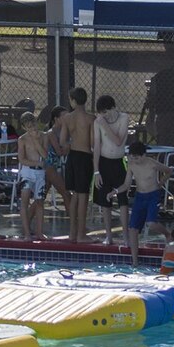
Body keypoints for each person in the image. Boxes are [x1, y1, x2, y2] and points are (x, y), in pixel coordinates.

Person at [115, 138, 166, 264]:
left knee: (151, 223)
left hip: (153, 195)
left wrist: (161, 183)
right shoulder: (131, 165)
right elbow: (126, 184)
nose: (135, 160)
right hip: (140, 197)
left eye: (137, 158)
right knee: (132, 229)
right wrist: (115, 192)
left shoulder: (152, 163)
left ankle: (167, 234)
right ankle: (135, 262)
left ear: (144, 155)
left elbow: (169, 171)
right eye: (132, 157)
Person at [54, 88, 96, 241]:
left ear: (72, 100)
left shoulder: (67, 119)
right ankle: (81, 234)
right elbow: (92, 143)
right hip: (85, 157)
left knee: (75, 195)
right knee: (83, 196)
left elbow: (62, 141)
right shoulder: (91, 118)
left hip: (73, 157)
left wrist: (73, 144)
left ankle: (73, 233)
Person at [92, 96, 130, 241]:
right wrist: (96, 171)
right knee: (105, 201)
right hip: (104, 163)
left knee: (123, 200)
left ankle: (125, 234)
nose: (105, 116)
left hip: (118, 162)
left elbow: (119, 141)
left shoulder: (124, 118)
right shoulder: (98, 122)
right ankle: (108, 235)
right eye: (102, 114)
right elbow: (96, 146)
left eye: (106, 113)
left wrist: (105, 126)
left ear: (113, 108)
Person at [16, 110, 49, 240]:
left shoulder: (44, 136)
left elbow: (45, 155)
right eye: (29, 127)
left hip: (40, 173)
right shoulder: (22, 139)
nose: (33, 129)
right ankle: (27, 233)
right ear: (24, 127)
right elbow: (22, 159)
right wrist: (36, 162)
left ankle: (39, 232)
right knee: (24, 201)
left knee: (40, 202)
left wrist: (36, 141)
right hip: (27, 172)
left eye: (34, 125)